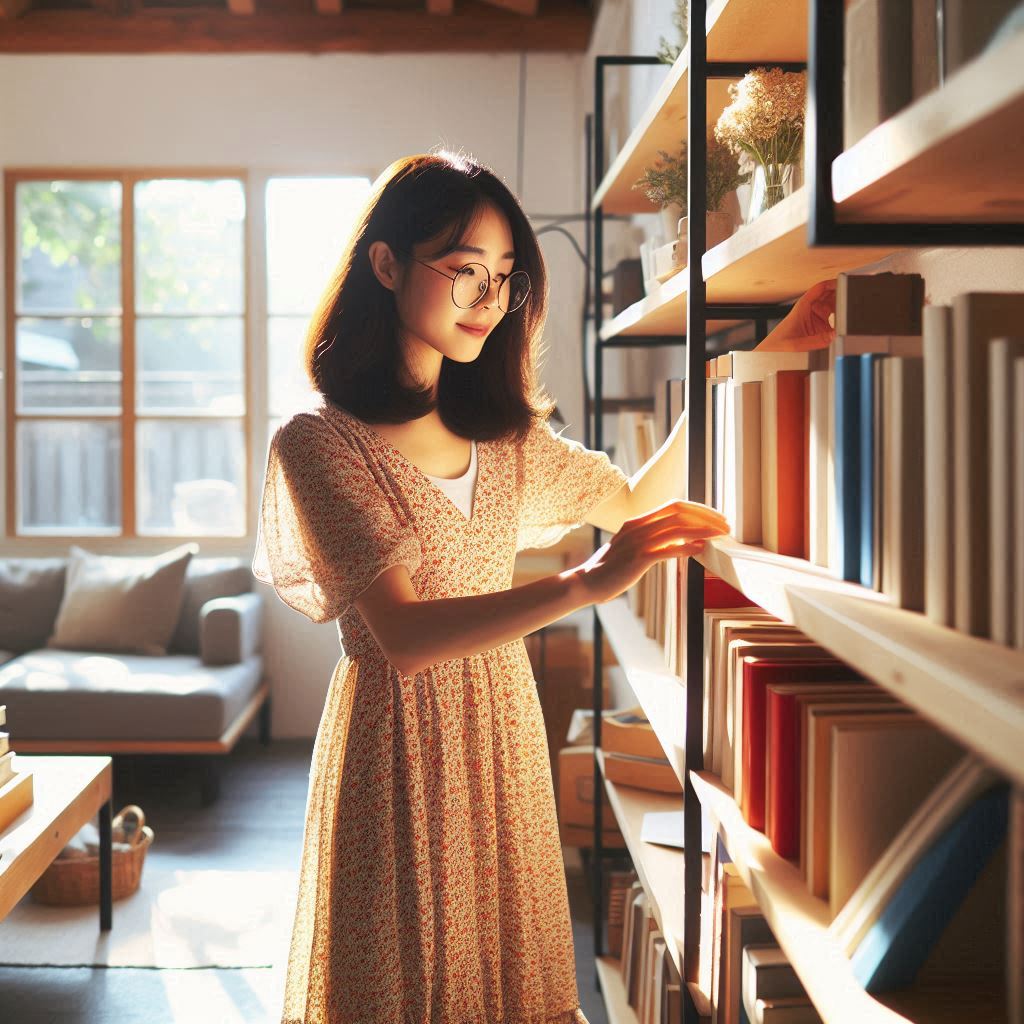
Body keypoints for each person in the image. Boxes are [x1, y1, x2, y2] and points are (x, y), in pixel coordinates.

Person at [251, 147, 826, 1023]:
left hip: (503, 733)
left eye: (505, 278)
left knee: (505, 981)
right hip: (395, 748)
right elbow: (402, 637)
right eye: (465, 271)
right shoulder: (319, 443)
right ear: (385, 263)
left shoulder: (505, 438)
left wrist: (764, 356)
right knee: (403, 985)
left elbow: (634, 494)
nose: (488, 301)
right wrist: (586, 584)